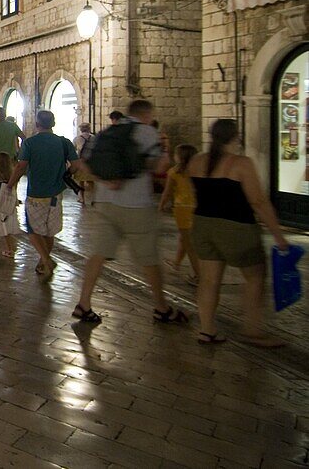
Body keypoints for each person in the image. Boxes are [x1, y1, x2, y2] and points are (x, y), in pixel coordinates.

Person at [73, 99, 188, 326]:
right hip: (136, 205)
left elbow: (86, 165)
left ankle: (84, 303)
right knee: (149, 258)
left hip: (105, 201)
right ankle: (161, 307)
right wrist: (164, 147)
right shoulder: (146, 132)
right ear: (147, 114)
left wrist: (108, 180)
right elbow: (160, 167)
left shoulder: (107, 132)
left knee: (99, 253)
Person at [190, 120, 289, 347]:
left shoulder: (197, 161)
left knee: (208, 280)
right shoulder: (241, 163)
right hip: (236, 227)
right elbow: (258, 201)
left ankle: (207, 330)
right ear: (235, 137)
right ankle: (252, 330)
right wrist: (278, 235)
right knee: (255, 276)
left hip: (202, 224)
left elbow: (195, 192)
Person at [7, 110, 81, 281]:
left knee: (33, 230)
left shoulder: (30, 143)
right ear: (53, 124)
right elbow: (76, 165)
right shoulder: (64, 142)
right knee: (49, 232)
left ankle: (46, 260)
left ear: (37, 124)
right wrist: (66, 173)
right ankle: (42, 262)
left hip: (36, 194)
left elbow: (21, 166)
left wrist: (10, 185)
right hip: (56, 193)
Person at [160, 143, 199, 284]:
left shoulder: (174, 172)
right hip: (197, 208)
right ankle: (176, 263)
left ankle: (199, 275)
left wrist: (160, 207)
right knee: (185, 239)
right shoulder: (199, 170)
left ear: (180, 157)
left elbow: (167, 193)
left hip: (182, 209)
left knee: (189, 243)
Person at [72, 122, 94, 205]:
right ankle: (92, 198)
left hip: (81, 162)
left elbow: (73, 150)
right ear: (89, 129)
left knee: (80, 181)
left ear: (81, 129)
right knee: (91, 181)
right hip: (91, 163)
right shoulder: (94, 138)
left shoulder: (77, 138)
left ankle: (82, 198)